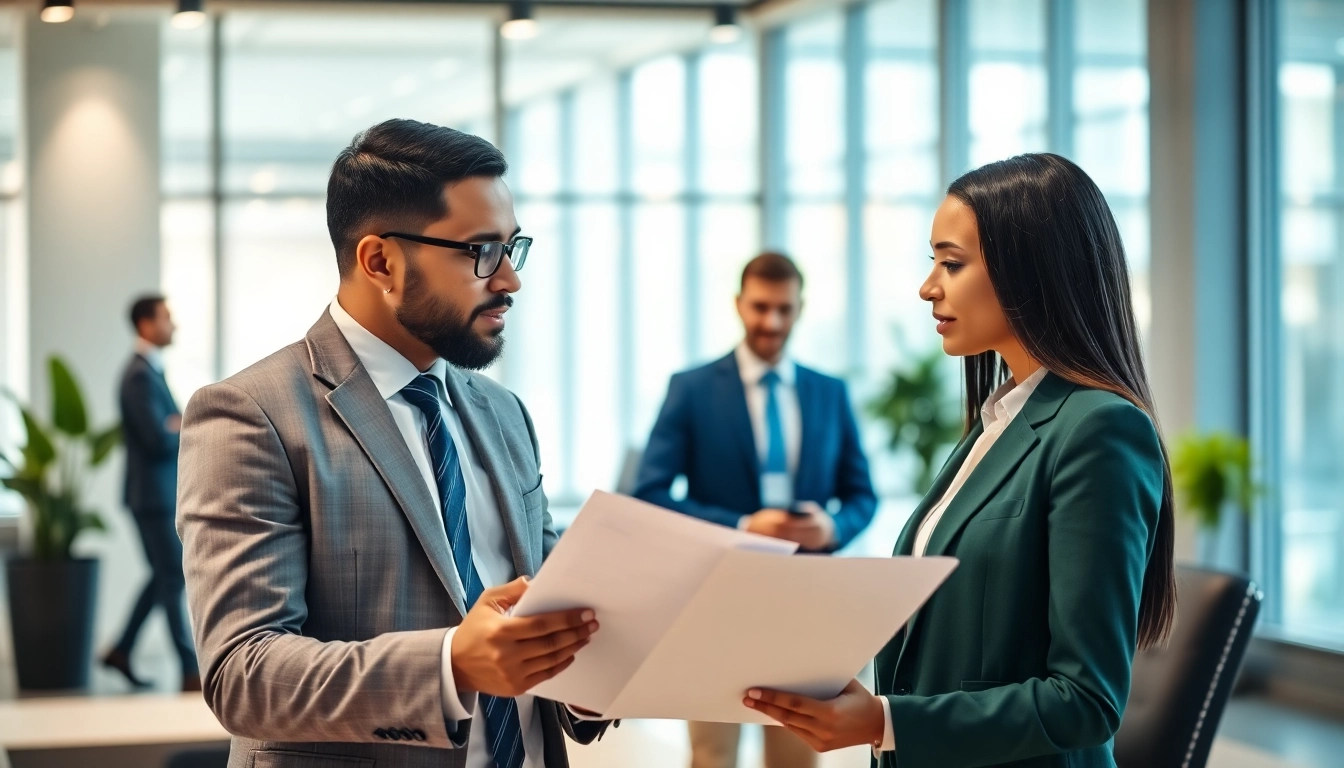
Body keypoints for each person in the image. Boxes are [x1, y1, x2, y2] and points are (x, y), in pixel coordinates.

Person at [177, 119, 608, 768]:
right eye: (480, 251)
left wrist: (600, 664)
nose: (508, 280)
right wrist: (450, 665)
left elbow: (548, 609)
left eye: (511, 248)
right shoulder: (250, 415)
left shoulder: (503, 413)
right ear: (380, 261)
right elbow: (244, 673)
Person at [742, 153, 1176, 768]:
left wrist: (886, 721)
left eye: (951, 263)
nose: (928, 287)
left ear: (1030, 270)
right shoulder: (997, 420)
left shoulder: (1099, 429)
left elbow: (1084, 702)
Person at [634, 252, 878, 768]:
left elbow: (863, 495)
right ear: (738, 304)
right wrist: (743, 527)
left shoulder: (830, 393)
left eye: (784, 309)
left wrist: (832, 527)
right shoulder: (692, 388)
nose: (772, 321)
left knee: (797, 756)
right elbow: (649, 493)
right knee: (712, 756)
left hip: (804, 601)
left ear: (800, 309)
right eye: (760, 307)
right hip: (714, 599)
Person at [102, 295, 200, 692]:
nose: (173, 325)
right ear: (145, 325)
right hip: (151, 496)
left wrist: (175, 422)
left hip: (156, 494)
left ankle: (121, 650)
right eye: (166, 318)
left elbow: (169, 425)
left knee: (163, 575)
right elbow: (157, 438)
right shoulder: (138, 376)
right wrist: (181, 424)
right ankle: (189, 668)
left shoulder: (149, 371)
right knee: (172, 574)